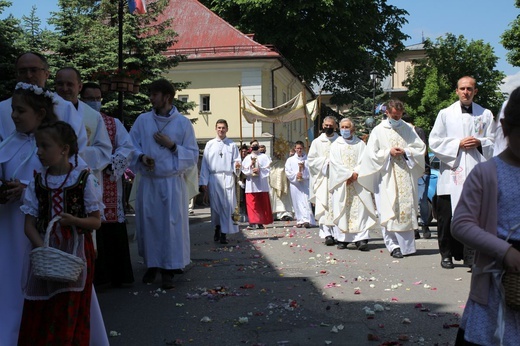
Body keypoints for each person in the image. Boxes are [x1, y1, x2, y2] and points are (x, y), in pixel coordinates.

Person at [18, 121, 104, 345]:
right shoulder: (37, 182)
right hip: (45, 252)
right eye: (38, 146)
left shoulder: (84, 180)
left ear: (64, 149)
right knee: (42, 308)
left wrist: (74, 220)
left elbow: (96, 222)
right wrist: (45, 250)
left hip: (76, 253)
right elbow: (29, 225)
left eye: (45, 146)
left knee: (70, 308)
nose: (39, 152)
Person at [451, 85, 520, 346]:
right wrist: (504, 251)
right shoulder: (486, 173)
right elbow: (462, 224)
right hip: (497, 280)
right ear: (505, 126)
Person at [0, 83, 58, 345]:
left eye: (20, 110)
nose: (13, 115)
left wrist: (26, 190)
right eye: (12, 109)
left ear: (41, 114)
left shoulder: (54, 147)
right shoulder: (7, 143)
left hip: (41, 234)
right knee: (10, 288)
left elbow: (67, 188)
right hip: (8, 230)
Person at [129, 79, 198, 290]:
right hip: (149, 183)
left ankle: (169, 270)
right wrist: (141, 157)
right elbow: (131, 146)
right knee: (149, 225)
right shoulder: (142, 120)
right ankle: (152, 265)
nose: (151, 98)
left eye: (154, 94)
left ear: (167, 97)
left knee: (171, 226)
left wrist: (172, 146)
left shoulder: (182, 123)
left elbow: (193, 155)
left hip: (171, 183)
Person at [429, 76, 496, 269]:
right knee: (447, 218)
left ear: (475, 91)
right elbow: (434, 141)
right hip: (452, 173)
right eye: (462, 88)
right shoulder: (445, 114)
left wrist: (480, 142)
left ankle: (472, 257)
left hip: (476, 172)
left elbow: (494, 140)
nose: (466, 92)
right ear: (457, 91)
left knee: (475, 217)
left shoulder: (485, 114)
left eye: (469, 89)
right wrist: (457, 144)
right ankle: (447, 255)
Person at [80, 82, 135, 287]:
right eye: (90, 98)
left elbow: (127, 147)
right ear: (81, 98)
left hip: (107, 179)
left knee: (110, 227)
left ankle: (116, 275)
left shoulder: (113, 123)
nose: (94, 103)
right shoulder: (74, 119)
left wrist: (111, 163)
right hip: (85, 179)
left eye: (98, 98)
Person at [358, 99, 426, 258]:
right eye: (393, 116)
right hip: (386, 176)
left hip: (405, 173)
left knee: (406, 209)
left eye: (399, 115)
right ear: (386, 113)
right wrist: (388, 152)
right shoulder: (378, 130)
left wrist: (406, 151)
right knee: (388, 210)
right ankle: (393, 245)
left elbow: (419, 148)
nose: (396, 119)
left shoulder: (408, 129)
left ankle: (407, 248)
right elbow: (370, 154)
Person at [0, 52, 88, 153]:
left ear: (46, 74)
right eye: (23, 71)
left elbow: (78, 147)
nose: (28, 75)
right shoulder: (2, 109)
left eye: (34, 70)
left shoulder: (65, 108)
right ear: (17, 75)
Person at [55, 67, 112, 183]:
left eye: (70, 84)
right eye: (60, 84)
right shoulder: (45, 110)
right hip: (51, 177)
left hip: (83, 179)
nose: (65, 89)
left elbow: (104, 151)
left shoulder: (94, 116)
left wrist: (74, 154)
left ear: (79, 87)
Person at [329, 118, 378, 250]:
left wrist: (356, 173)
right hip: (343, 182)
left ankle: (361, 239)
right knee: (343, 208)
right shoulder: (335, 145)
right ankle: (342, 239)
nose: (344, 130)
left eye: (347, 127)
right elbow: (335, 163)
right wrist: (348, 175)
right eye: (342, 127)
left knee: (361, 209)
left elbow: (365, 160)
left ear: (353, 129)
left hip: (358, 182)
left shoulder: (360, 144)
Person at [199, 119, 241, 244]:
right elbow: (205, 164)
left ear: (227, 129)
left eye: (223, 128)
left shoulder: (232, 145)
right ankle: (217, 227)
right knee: (216, 206)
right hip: (214, 178)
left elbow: (236, 161)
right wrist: (203, 182)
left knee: (227, 206)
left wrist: (238, 166)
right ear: (215, 129)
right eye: (219, 127)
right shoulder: (210, 144)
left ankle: (224, 233)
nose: (221, 130)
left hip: (227, 178)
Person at [308, 116, 339, 245]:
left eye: (330, 125)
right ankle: (327, 234)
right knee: (324, 205)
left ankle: (338, 234)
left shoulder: (340, 141)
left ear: (335, 126)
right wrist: (325, 162)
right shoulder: (317, 142)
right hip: (323, 179)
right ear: (322, 126)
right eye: (326, 125)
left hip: (338, 179)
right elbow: (311, 160)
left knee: (337, 206)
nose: (328, 127)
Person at [402, 114, 432, 239]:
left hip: (421, 170)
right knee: (409, 200)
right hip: (406, 170)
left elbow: (423, 150)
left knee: (421, 200)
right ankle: (414, 228)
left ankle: (424, 224)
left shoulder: (418, 131)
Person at [241, 139, 274, 229]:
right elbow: (244, 170)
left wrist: (260, 170)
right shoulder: (247, 158)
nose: (255, 146)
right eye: (253, 145)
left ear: (259, 146)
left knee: (261, 203)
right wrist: (251, 169)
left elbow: (268, 169)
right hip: (251, 183)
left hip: (261, 183)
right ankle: (253, 222)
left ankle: (260, 222)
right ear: (250, 147)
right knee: (252, 204)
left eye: (256, 145)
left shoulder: (264, 157)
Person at [284, 141, 315, 228]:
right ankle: (299, 220)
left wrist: (304, 174)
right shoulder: (290, 160)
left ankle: (307, 220)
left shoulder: (308, 160)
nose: (299, 150)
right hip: (295, 185)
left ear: (303, 148)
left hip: (305, 184)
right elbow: (287, 171)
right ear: (295, 149)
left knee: (306, 201)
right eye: (297, 148)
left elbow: (312, 172)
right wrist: (295, 175)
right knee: (297, 202)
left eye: (301, 148)